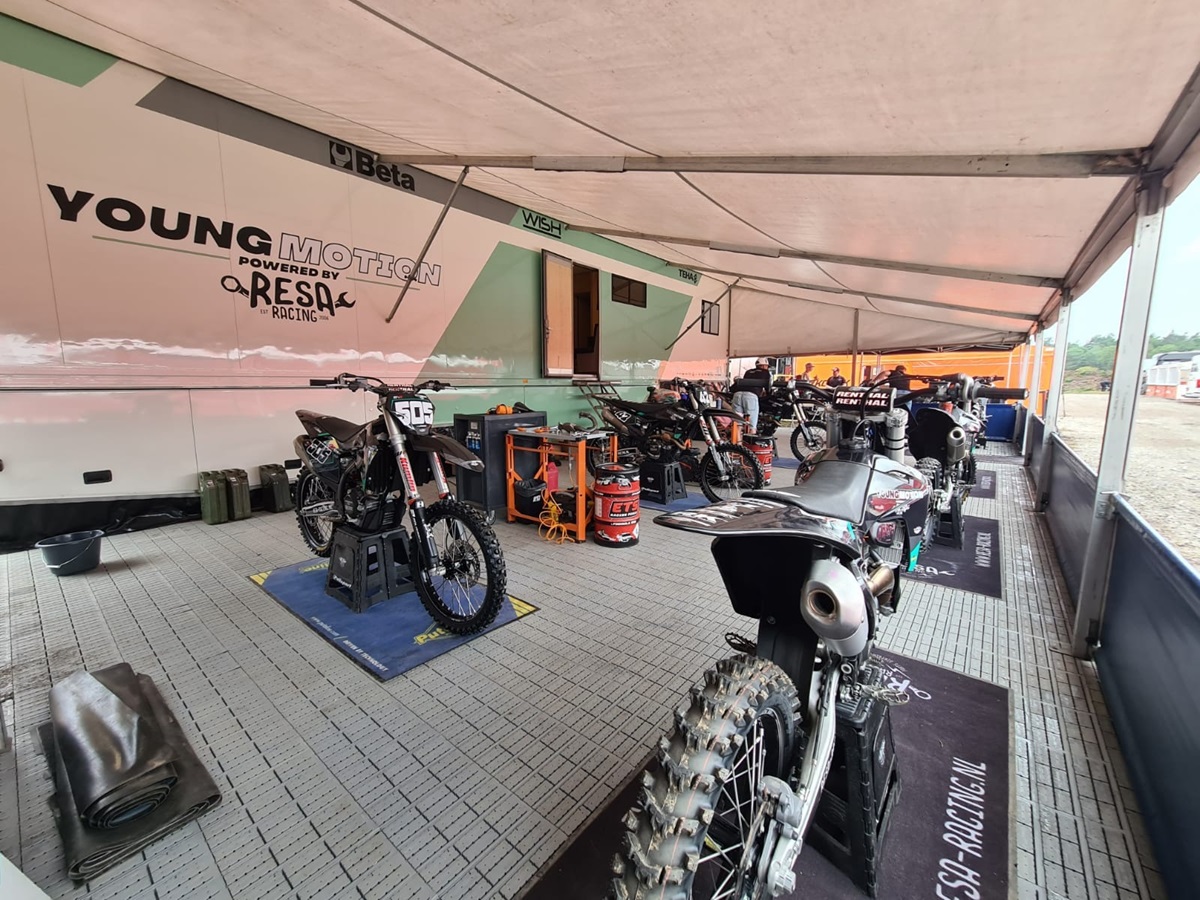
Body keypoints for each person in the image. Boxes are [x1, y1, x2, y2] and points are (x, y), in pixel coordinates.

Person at [731, 357, 771, 433]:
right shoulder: (765, 372)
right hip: (750, 396)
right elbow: (767, 387)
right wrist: (768, 394)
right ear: (763, 366)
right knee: (751, 426)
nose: (767, 368)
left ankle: (736, 440)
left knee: (737, 424)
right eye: (767, 366)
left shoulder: (748, 371)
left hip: (737, 395)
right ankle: (751, 439)